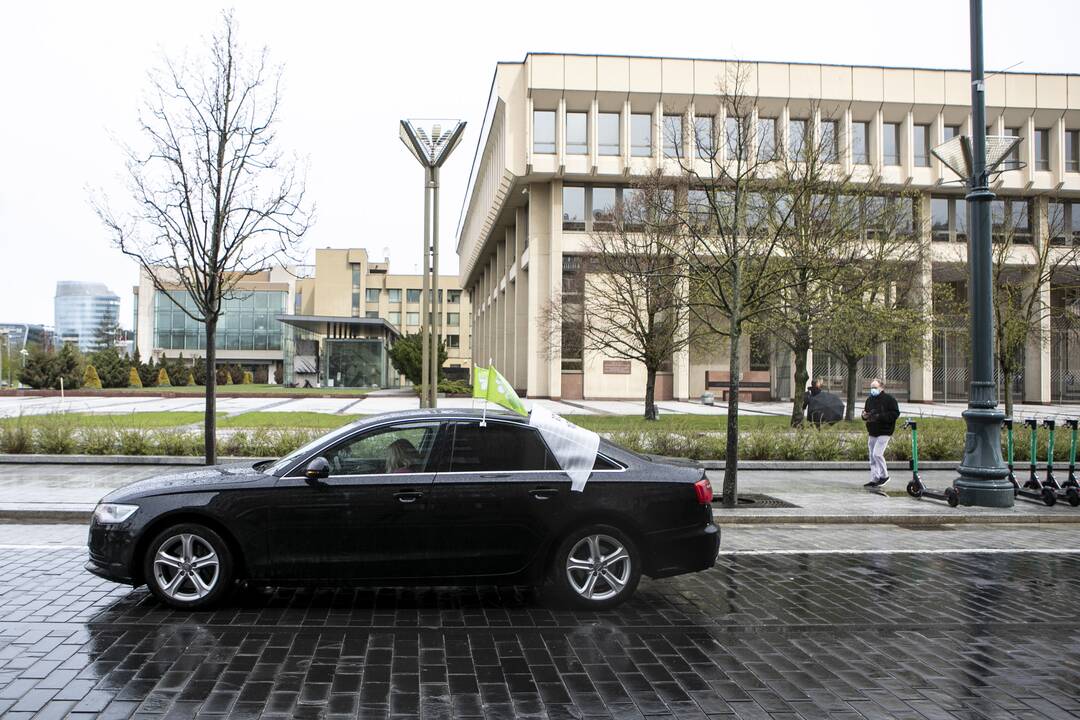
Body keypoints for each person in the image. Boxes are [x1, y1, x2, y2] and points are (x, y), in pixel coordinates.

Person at [862, 378, 900, 488]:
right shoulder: (869, 400)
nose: (873, 389)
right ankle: (875, 478)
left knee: (877, 454)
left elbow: (895, 414)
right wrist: (864, 416)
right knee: (872, 457)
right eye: (871, 387)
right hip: (872, 431)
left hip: (885, 430)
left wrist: (880, 416)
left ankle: (884, 476)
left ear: (881, 388)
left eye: (875, 387)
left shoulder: (889, 399)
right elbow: (866, 413)